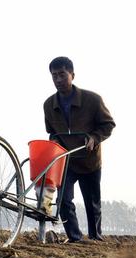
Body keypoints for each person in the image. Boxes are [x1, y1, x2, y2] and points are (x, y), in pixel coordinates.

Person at [43, 56, 115, 242]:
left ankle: (95, 237)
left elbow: (108, 125)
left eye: (62, 75)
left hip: (90, 159)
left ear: (72, 75)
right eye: (54, 76)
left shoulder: (92, 100)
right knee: (63, 201)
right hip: (67, 160)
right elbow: (52, 132)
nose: (58, 80)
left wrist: (94, 138)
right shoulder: (49, 105)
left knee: (92, 204)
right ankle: (75, 238)